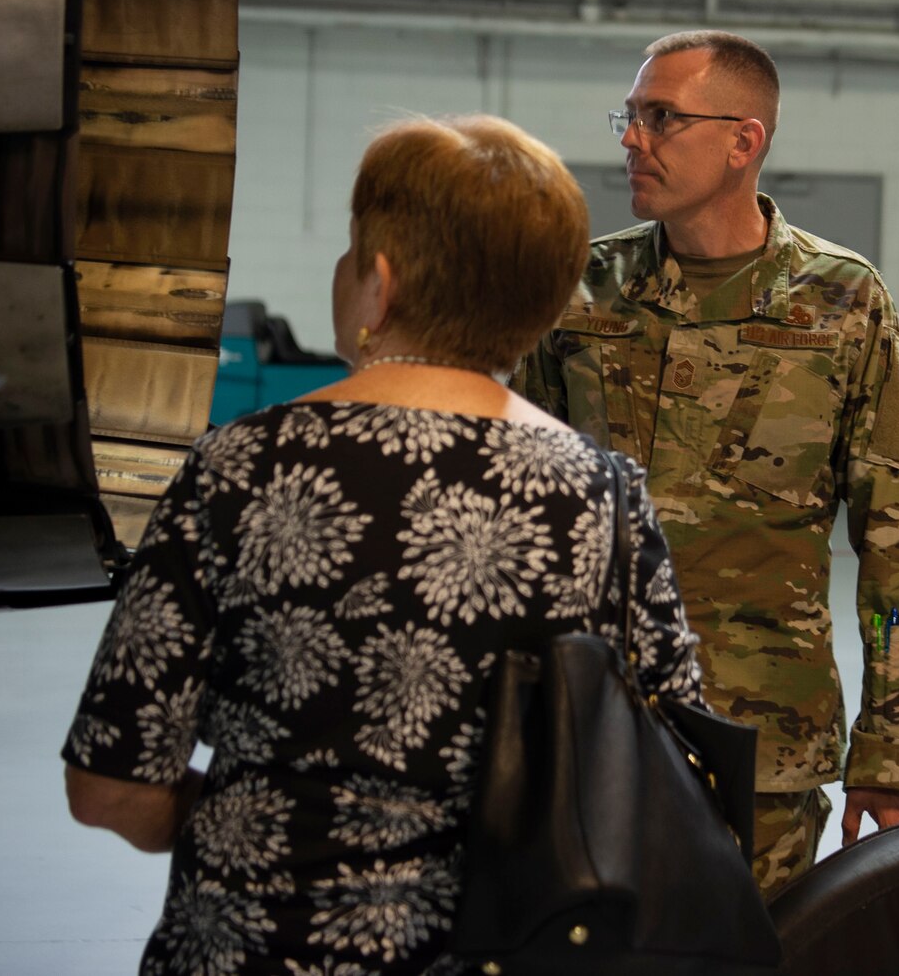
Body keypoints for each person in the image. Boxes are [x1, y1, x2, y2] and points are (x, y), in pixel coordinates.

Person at [63, 116, 706, 975]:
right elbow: (678, 761)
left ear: (379, 285)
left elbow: (111, 785)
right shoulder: (606, 496)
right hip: (504, 949)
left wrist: (238, 815)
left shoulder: (239, 467)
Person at [516, 30, 899, 896]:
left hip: (764, 752)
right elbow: (523, 516)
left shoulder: (843, 303)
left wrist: (898, 751)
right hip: (591, 730)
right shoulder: (581, 294)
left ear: (745, 140)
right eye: (629, 117)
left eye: (661, 117)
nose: (633, 139)